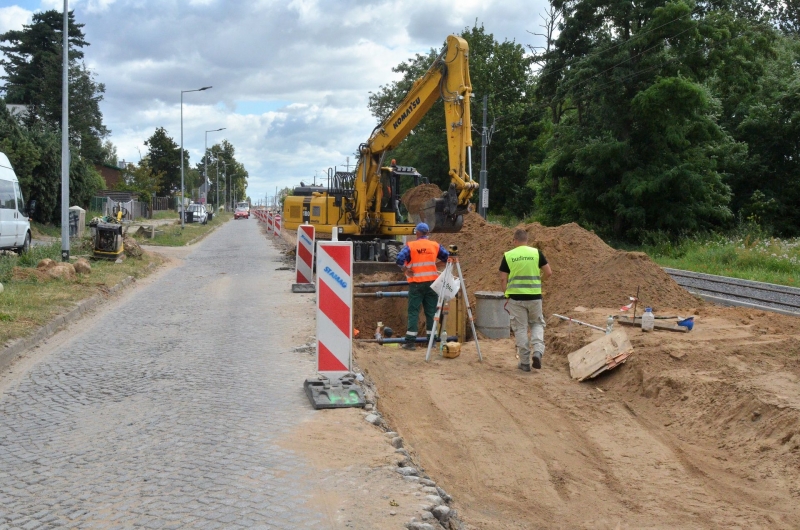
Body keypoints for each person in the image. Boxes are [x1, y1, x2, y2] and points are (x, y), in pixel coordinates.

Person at [499, 229, 552, 371]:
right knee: (537, 324)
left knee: (520, 328)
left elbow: (503, 278)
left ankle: (524, 363)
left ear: (515, 240)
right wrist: (539, 281)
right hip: (534, 296)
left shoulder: (509, 255)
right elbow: (548, 272)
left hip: (516, 298)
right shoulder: (536, 253)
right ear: (526, 240)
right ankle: (538, 351)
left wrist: (506, 294)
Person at [396, 223, 449, 350]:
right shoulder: (434, 245)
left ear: (417, 233)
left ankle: (410, 342)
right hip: (432, 283)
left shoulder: (412, 246)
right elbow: (449, 257)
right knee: (431, 312)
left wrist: (406, 269)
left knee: (414, 312)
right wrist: (436, 265)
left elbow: (399, 259)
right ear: (427, 233)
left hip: (416, 284)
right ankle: (432, 342)